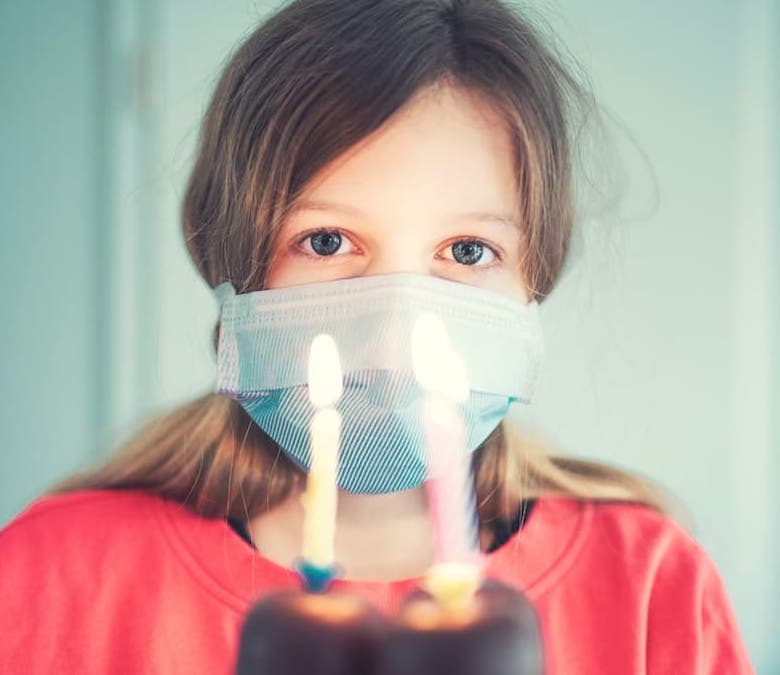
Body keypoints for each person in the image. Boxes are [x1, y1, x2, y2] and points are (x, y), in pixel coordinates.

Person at [0, 0, 755, 673]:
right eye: (326, 241)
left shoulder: (651, 590)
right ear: (234, 270)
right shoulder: (49, 580)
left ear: (534, 286)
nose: (395, 338)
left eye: (467, 251)